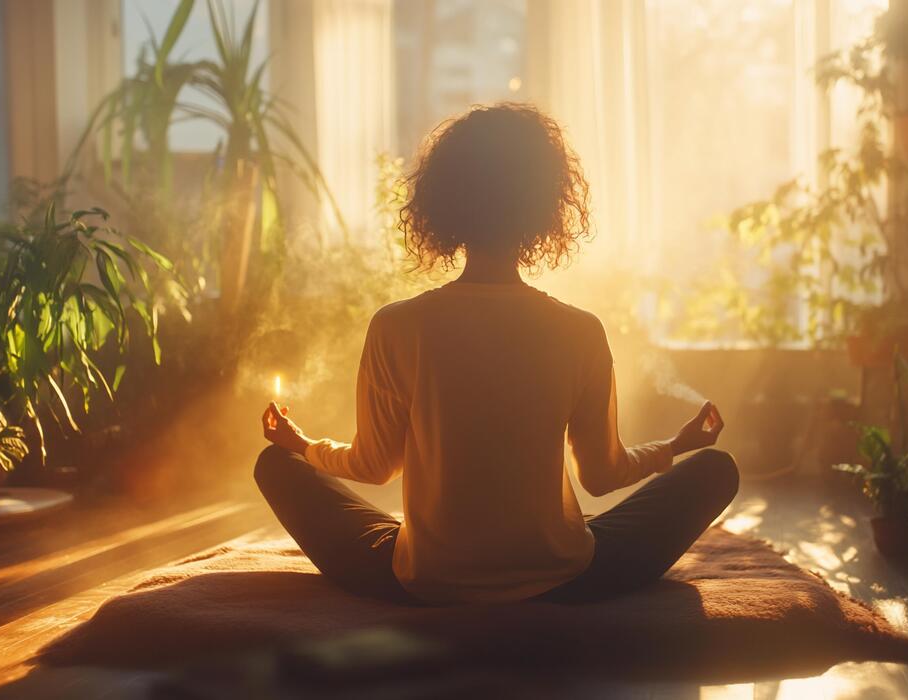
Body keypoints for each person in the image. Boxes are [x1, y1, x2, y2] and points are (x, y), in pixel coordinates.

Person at [256, 103, 738, 606]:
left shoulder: (397, 325)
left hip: (423, 582)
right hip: (569, 581)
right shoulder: (579, 330)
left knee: (276, 467)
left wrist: (301, 443)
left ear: (443, 204)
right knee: (716, 469)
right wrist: (677, 445)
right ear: (547, 205)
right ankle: (549, 541)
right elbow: (602, 476)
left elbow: (374, 466)